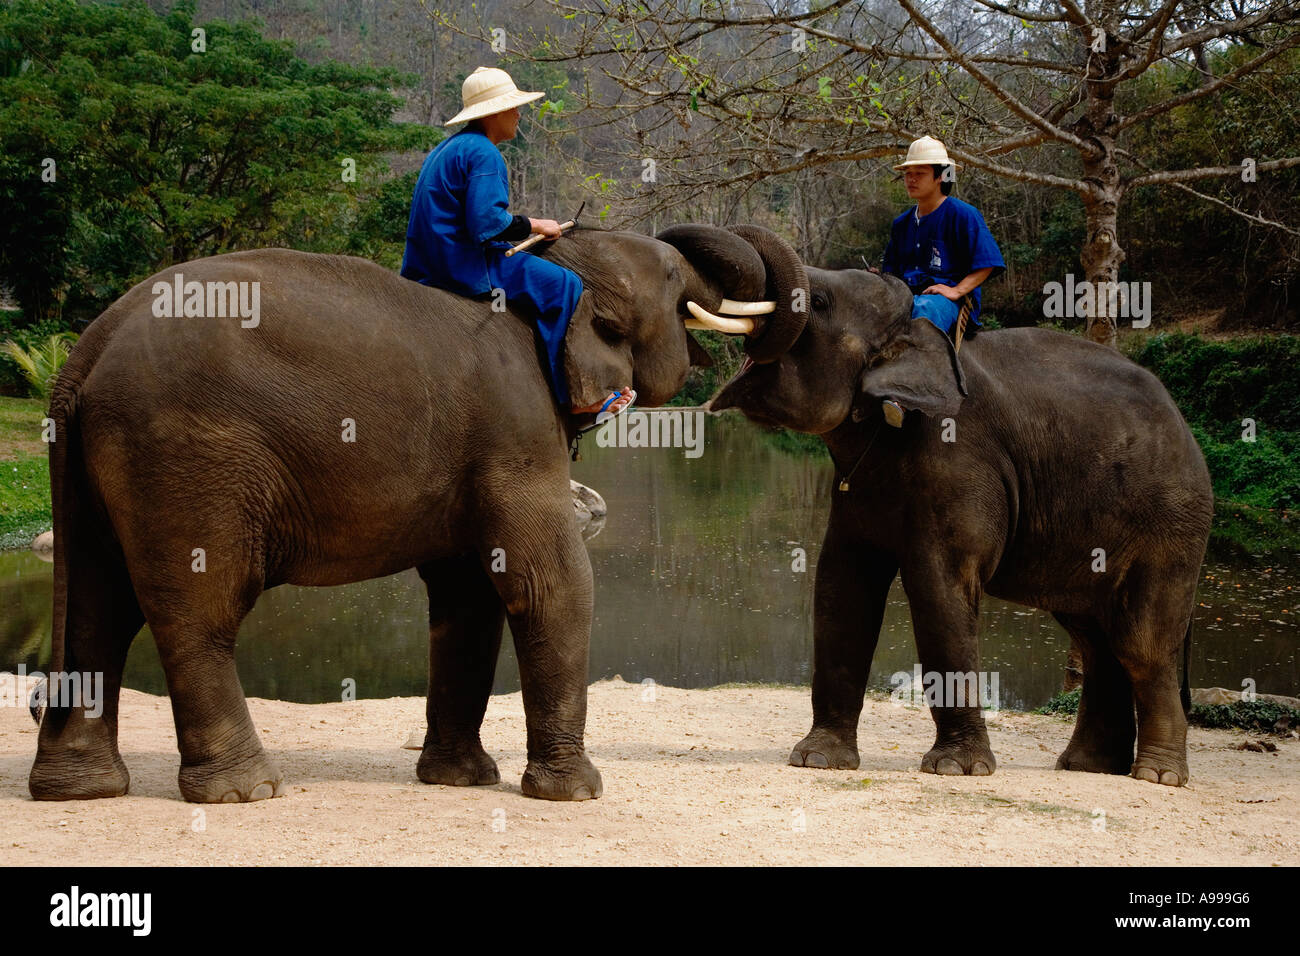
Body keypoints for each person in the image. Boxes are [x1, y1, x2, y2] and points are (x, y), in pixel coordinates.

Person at [401, 66, 634, 422]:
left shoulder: (450, 148)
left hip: (429, 263)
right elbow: (487, 225)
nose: (518, 114)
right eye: (512, 107)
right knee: (564, 285)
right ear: (493, 113)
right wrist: (535, 224)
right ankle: (575, 396)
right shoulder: (484, 154)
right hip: (463, 266)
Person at [880, 135, 1004, 426]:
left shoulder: (964, 215)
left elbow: (988, 262)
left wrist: (956, 290)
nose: (911, 180)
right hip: (906, 296)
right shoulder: (901, 224)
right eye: (908, 174)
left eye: (919, 174)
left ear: (940, 177)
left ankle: (906, 395)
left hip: (946, 302)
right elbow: (891, 272)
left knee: (925, 308)